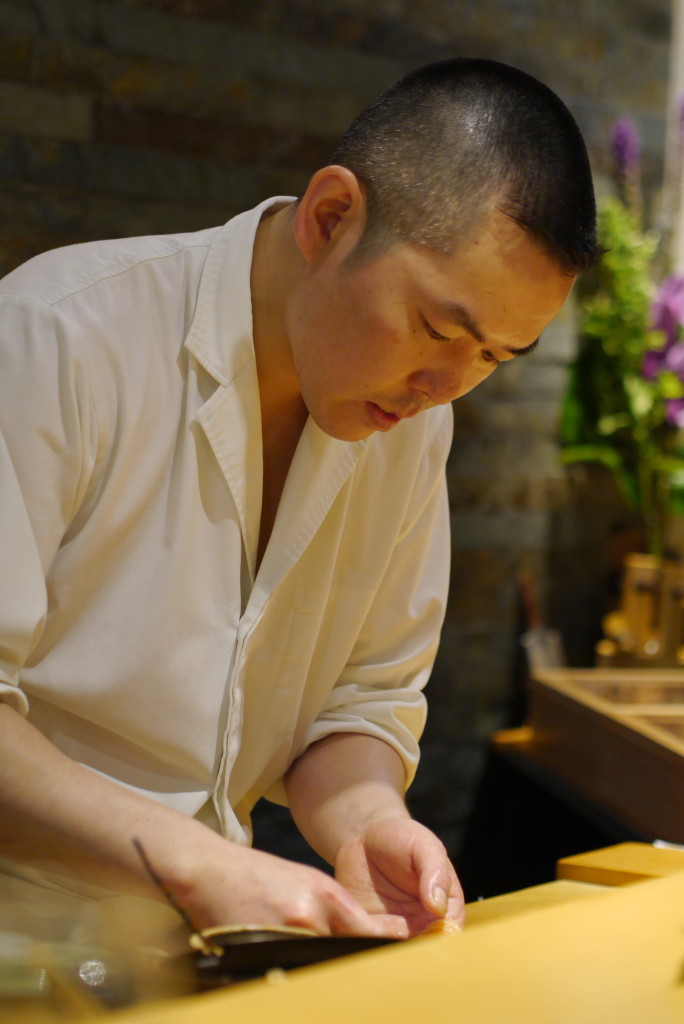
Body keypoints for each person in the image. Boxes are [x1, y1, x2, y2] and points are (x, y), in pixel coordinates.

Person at [0, 58, 600, 939]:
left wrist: (371, 823)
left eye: (494, 358)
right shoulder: (55, 335)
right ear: (330, 218)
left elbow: (360, 699)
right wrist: (199, 866)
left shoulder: (411, 418)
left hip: (190, 954)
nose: (447, 385)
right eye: (440, 329)